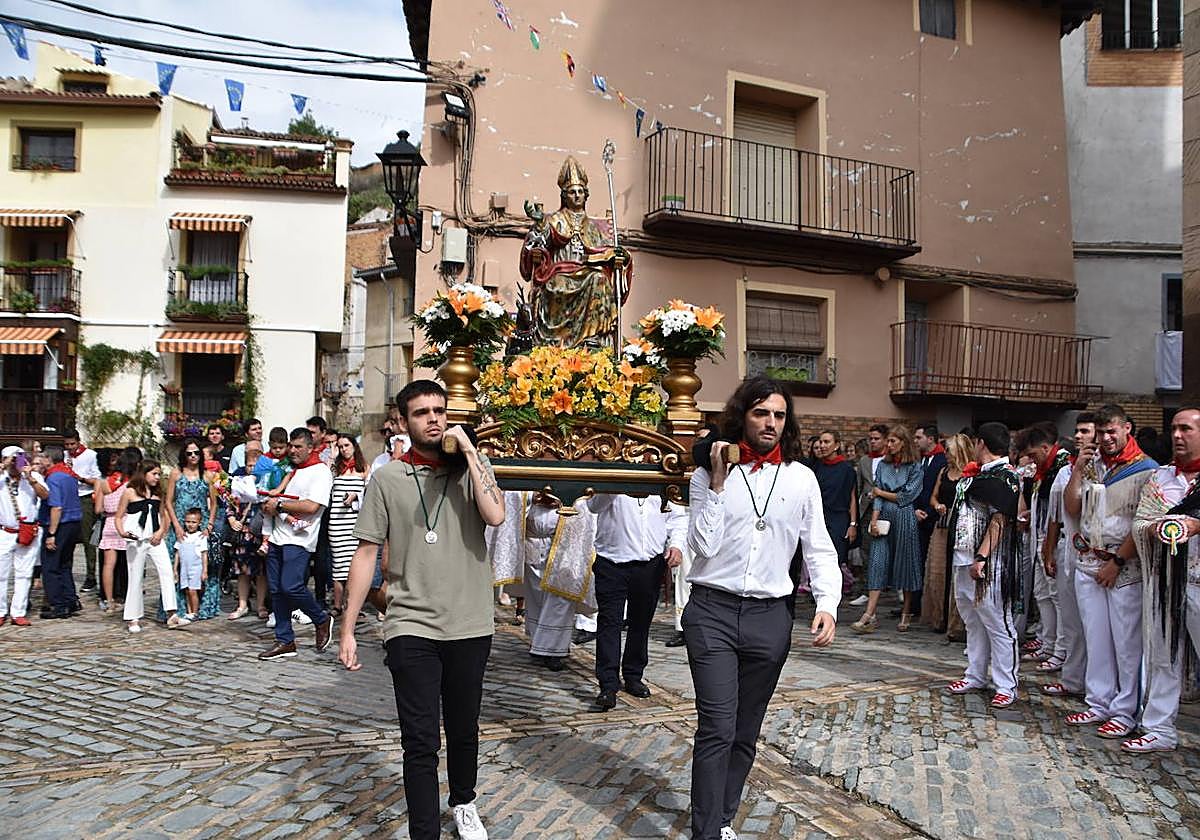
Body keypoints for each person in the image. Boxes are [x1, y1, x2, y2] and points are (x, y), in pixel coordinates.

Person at [339, 380, 505, 840]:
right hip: (409, 622)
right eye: (421, 412)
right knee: (419, 739)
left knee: (464, 727)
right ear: (403, 421)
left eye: (439, 410)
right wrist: (348, 628)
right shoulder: (387, 478)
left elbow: (496, 516)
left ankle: (464, 800)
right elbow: (365, 554)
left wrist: (469, 451)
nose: (433, 419)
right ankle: (424, 832)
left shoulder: (473, 469)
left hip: (469, 621)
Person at [685, 376, 839, 840]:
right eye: (761, 413)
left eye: (779, 414)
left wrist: (827, 603)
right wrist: (717, 484)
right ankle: (705, 832)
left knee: (745, 730)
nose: (771, 422)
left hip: (770, 617)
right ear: (742, 416)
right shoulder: (707, 473)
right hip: (711, 611)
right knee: (717, 726)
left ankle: (722, 818)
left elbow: (818, 546)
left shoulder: (801, 478)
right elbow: (701, 546)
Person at [1063, 403, 1157, 739]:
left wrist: (1117, 563)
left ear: (1126, 428)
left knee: (1126, 642)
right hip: (1089, 559)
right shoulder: (1092, 465)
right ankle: (1099, 701)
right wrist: (1078, 468)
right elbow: (1072, 508)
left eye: (1110, 431)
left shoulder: (1147, 469)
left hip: (1124, 565)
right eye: (1100, 432)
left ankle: (1125, 710)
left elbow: (1143, 522)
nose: (1105, 438)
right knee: (1096, 637)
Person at [1125, 407, 1200, 752]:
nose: (1177, 435)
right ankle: (1159, 728)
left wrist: (1195, 525)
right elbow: (1140, 521)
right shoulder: (1160, 479)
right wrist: (1155, 528)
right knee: (1163, 655)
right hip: (1165, 580)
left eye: (1186, 429)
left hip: (1198, 580)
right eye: (1173, 429)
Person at [944, 422, 1023, 708]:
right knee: (972, 620)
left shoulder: (1005, 476)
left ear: (980, 443)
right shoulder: (979, 474)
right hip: (962, 557)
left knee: (998, 623)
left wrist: (982, 556)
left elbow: (999, 519)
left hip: (989, 563)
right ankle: (975, 674)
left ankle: (1006, 684)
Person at [585, 490, 686, 712]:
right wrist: (615, 483)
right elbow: (593, 506)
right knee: (609, 623)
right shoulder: (612, 478)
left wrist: (677, 544)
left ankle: (633, 675)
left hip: (650, 563)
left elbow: (677, 516)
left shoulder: (661, 481)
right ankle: (608, 684)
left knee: (641, 623)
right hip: (612, 561)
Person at [520, 155, 631, 348]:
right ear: (564, 196)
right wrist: (539, 226)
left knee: (600, 279)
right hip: (560, 272)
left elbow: (604, 250)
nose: (577, 195)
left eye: (580, 191)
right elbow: (538, 244)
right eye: (572, 192)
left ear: (586, 195)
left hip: (586, 272)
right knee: (557, 284)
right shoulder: (554, 220)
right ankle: (557, 341)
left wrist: (619, 256)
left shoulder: (593, 227)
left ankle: (593, 337)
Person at [491, 490, 597, 669]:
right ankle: (538, 643)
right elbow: (511, 491)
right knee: (536, 598)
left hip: (566, 541)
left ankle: (553, 651)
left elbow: (587, 494)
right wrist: (532, 496)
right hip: (533, 541)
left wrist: (566, 498)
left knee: (561, 596)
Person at [258, 428, 334, 660]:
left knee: (291, 586)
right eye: (291, 446)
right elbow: (275, 495)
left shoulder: (320, 472)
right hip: (277, 536)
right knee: (276, 590)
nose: (292, 450)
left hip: (300, 539)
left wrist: (279, 505)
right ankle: (285, 640)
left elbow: (312, 506)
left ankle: (321, 619)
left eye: (298, 446)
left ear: (311, 447)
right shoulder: (290, 470)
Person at [1039, 412, 1096, 699]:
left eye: (1085, 431)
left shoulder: (1105, 469)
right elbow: (1056, 515)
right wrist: (1048, 549)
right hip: (1067, 547)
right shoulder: (1065, 471)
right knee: (1071, 619)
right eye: (1077, 431)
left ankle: (1097, 686)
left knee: (1093, 625)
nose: (1078, 436)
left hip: (1095, 553)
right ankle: (1072, 678)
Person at [853, 425, 923, 633]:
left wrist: (880, 492)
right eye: (888, 441)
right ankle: (869, 614)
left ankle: (906, 612)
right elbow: (876, 498)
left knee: (905, 563)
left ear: (903, 443)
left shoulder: (914, 467)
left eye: (893, 441)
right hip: (883, 517)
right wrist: (874, 521)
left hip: (904, 518)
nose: (888, 444)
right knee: (877, 563)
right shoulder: (883, 465)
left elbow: (906, 496)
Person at [1016, 422, 1071, 672]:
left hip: (1053, 541)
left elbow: (1058, 512)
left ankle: (1061, 649)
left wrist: (1049, 545)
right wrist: (1032, 513)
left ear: (1046, 448)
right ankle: (1048, 643)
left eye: (1033, 454)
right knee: (1042, 594)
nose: (1031, 460)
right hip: (1038, 536)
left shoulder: (1062, 467)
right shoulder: (1045, 469)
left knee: (1057, 597)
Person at [116, 459, 188, 632]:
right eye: (154, 474)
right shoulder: (130, 492)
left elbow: (163, 515)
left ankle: (172, 614)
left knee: (167, 571)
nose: (157, 477)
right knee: (135, 577)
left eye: (159, 474)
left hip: (154, 540)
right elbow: (118, 516)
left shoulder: (158, 494)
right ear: (144, 473)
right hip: (136, 540)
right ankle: (133, 617)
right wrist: (122, 532)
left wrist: (161, 531)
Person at [919, 433, 971, 634]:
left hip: (961, 526)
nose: (946, 454)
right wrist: (937, 505)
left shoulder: (970, 473)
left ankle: (956, 623)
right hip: (943, 524)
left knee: (958, 574)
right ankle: (939, 617)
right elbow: (933, 497)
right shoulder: (944, 471)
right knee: (938, 572)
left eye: (949, 450)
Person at [162, 439, 218, 621]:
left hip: (201, 525)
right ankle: (177, 607)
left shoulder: (207, 475)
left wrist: (209, 525)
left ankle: (203, 607)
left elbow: (214, 503)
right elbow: (168, 501)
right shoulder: (176, 473)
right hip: (180, 524)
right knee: (177, 563)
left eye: (196, 453)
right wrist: (176, 525)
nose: (193, 456)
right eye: (189, 453)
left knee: (203, 563)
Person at [809, 430, 859, 597]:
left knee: (835, 559)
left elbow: (852, 498)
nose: (822, 445)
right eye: (821, 442)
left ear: (836, 445)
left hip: (838, 519)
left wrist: (852, 524)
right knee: (817, 559)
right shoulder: (816, 468)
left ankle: (831, 596)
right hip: (818, 518)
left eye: (827, 442)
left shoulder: (847, 469)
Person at [38, 444, 83, 620]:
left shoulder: (54, 478)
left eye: (43, 457)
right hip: (74, 523)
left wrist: (51, 533)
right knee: (65, 564)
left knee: (51, 566)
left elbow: (56, 507)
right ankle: (71, 599)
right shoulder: (68, 475)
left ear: (49, 459)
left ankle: (58, 604)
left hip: (60, 524)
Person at [226, 438, 268, 620]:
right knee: (242, 570)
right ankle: (242, 604)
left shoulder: (266, 481)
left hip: (258, 531)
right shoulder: (239, 480)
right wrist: (231, 518)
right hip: (242, 530)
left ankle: (261, 604)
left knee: (260, 571)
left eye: (255, 465)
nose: (252, 469)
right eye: (249, 465)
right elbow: (230, 502)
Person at [328, 433, 369, 616]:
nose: (344, 449)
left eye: (346, 445)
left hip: (355, 522)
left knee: (354, 566)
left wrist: (356, 496)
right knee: (338, 565)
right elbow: (325, 485)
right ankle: (337, 605)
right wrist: (331, 458)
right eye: (340, 446)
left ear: (354, 446)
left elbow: (370, 492)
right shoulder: (335, 468)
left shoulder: (364, 467)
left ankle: (352, 606)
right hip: (337, 522)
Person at [0, 446, 41, 626]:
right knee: (1, 574)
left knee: (24, 574)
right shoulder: (1, 479)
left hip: (28, 531)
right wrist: (4, 466)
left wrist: (30, 477)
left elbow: (45, 495)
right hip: (5, 532)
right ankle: (0, 611)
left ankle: (18, 612)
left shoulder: (32, 477)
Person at [849, 424, 888, 606]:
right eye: (870, 439)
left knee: (888, 548)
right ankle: (866, 589)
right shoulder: (864, 461)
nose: (873, 442)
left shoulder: (891, 459)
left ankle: (894, 587)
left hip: (887, 508)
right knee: (866, 550)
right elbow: (858, 487)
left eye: (876, 438)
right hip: (867, 509)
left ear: (885, 440)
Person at [97, 448, 139, 614]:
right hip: (126, 522)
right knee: (131, 563)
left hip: (109, 523)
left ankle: (109, 601)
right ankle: (130, 597)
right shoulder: (132, 483)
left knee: (108, 565)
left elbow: (98, 509)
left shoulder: (104, 482)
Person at [912, 423, 946, 617]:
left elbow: (939, 490)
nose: (916, 441)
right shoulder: (921, 460)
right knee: (917, 560)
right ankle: (915, 604)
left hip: (933, 517)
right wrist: (915, 510)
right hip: (918, 516)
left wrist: (927, 511)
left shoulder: (942, 460)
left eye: (919, 437)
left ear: (930, 439)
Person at [62, 428, 102, 594]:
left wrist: (80, 478)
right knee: (68, 537)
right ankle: (66, 574)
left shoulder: (90, 455)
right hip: (69, 497)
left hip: (85, 497)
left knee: (87, 538)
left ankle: (91, 576)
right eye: (67, 445)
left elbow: (98, 480)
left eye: (72, 444)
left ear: (78, 441)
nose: (70, 448)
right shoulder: (65, 455)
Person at [174, 508, 208, 620]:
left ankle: (195, 612)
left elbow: (204, 554)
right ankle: (189, 612)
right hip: (184, 568)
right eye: (188, 522)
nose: (190, 524)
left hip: (196, 567)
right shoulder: (182, 536)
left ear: (199, 523)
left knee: (193, 590)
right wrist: (175, 569)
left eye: (193, 522)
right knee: (187, 590)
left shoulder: (200, 536)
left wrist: (204, 570)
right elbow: (177, 553)